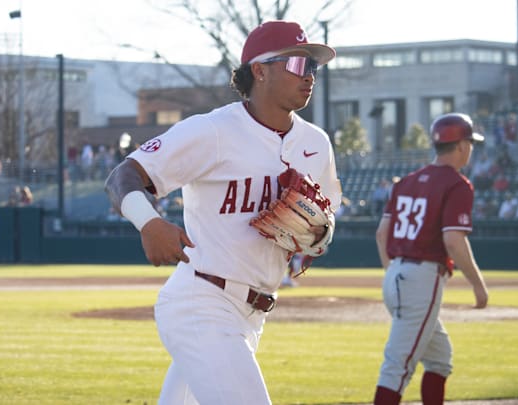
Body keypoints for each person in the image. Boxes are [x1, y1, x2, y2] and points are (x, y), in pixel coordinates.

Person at [104, 20, 341, 404]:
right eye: (298, 65)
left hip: (252, 313)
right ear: (260, 70)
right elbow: (122, 176)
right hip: (202, 302)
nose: (309, 76)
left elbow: (326, 218)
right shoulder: (212, 130)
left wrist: (316, 238)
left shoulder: (316, 143)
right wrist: (148, 222)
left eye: (313, 67)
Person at [373, 113, 488, 405]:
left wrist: (395, 274)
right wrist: (478, 285)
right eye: (470, 143)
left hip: (396, 275)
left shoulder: (406, 182)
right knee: (397, 367)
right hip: (422, 279)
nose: (471, 149)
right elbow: (453, 240)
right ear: (461, 145)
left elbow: (380, 235)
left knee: (439, 358)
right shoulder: (457, 184)